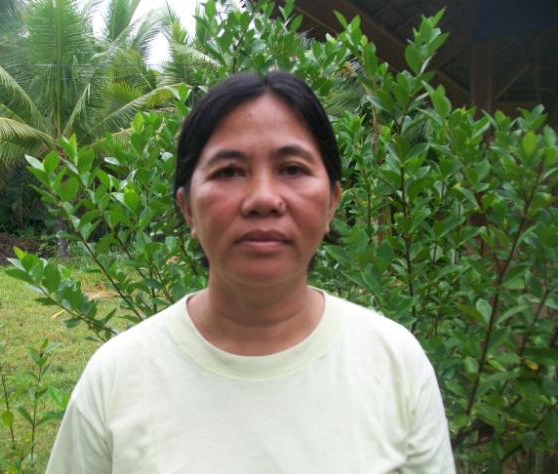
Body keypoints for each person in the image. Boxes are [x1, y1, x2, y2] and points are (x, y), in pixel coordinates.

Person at [46, 71, 455, 473]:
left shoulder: (395, 363)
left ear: (332, 202)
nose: (263, 199)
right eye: (228, 171)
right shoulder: (117, 378)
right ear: (188, 208)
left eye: (292, 169)